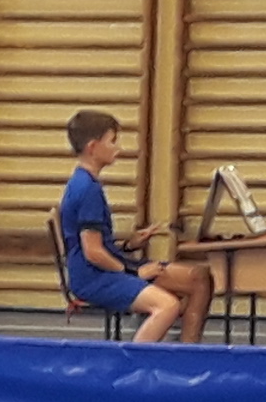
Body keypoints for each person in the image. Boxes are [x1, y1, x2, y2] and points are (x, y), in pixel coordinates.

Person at [57, 110, 211, 344]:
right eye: (112, 141)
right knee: (167, 306)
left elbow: (95, 244)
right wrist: (134, 273)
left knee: (199, 278)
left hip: (105, 269)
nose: (118, 148)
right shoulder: (87, 189)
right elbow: (93, 252)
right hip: (94, 278)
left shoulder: (84, 183)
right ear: (93, 147)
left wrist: (129, 245)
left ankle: (186, 351)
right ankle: (134, 361)